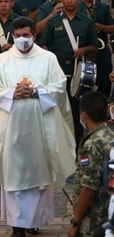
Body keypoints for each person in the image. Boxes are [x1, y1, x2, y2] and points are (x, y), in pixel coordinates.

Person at [0, 17, 76, 237]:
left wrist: (36, 92)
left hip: (40, 128)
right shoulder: (2, 60)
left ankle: (33, 220)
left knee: (39, 175)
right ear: (12, 36)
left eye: (26, 35)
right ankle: (17, 226)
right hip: (12, 129)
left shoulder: (47, 58)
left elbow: (58, 86)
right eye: (17, 36)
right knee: (14, 175)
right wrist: (12, 94)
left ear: (34, 36)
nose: (22, 40)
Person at [38, 0, 99, 145]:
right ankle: (58, 143)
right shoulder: (53, 22)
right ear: (61, 0)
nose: (69, 1)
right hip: (57, 70)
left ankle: (77, 143)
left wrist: (84, 50)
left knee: (77, 109)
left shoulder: (86, 23)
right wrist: (48, 58)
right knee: (57, 107)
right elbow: (44, 44)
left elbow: (95, 45)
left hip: (77, 71)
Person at [68, 91, 114, 237]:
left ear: (84, 116)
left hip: (94, 220)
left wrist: (76, 222)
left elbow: (88, 188)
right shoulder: (110, 136)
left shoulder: (92, 144)